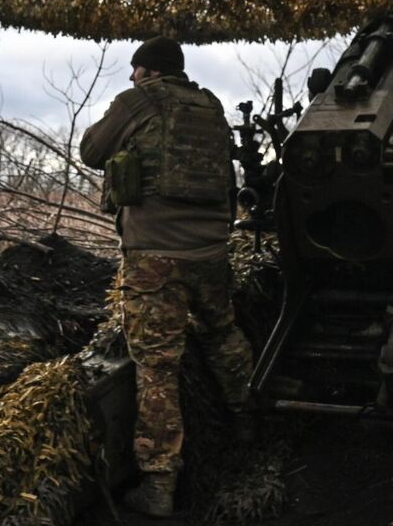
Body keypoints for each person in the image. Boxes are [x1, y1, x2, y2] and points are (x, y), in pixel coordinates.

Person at [80, 36, 256, 519]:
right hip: (211, 250)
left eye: (135, 70)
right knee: (222, 331)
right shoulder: (210, 104)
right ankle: (248, 420)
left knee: (157, 366)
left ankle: (159, 483)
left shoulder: (138, 100)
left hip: (155, 254)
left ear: (148, 70)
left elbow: (91, 150)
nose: (131, 77)